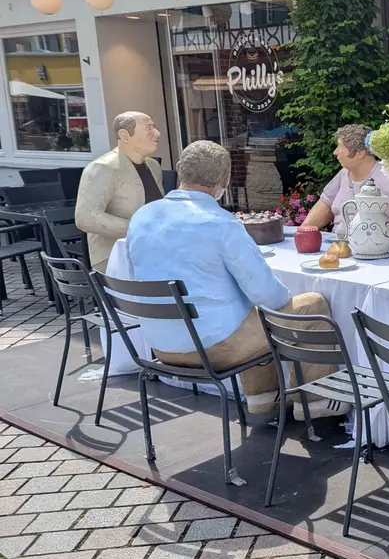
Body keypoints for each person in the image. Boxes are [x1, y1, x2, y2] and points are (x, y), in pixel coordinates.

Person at [126, 140, 343, 420]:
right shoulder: (220, 222)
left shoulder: (142, 216)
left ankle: (264, 400)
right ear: (225, 179)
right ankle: (315, 403)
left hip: (160, 344)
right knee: (310, 305)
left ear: (179, 170)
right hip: (212, 349)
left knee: (247, 314)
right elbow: (270, 296)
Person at [76, 112, 165, 272]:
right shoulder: (102, 168)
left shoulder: (153, 166)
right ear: (125, 135)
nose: (157, 133)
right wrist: (137, 228)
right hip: (115, 258)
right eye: (149, 128)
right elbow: (85, 217)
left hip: (152, 250)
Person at [301, 124, 389, 239]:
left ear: (360, 153)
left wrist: (380, 234)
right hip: (338, 246)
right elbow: (325, 205)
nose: (335, 152)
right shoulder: (343, 174)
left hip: (377, 250)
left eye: (340, 147)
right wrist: (303, 231)